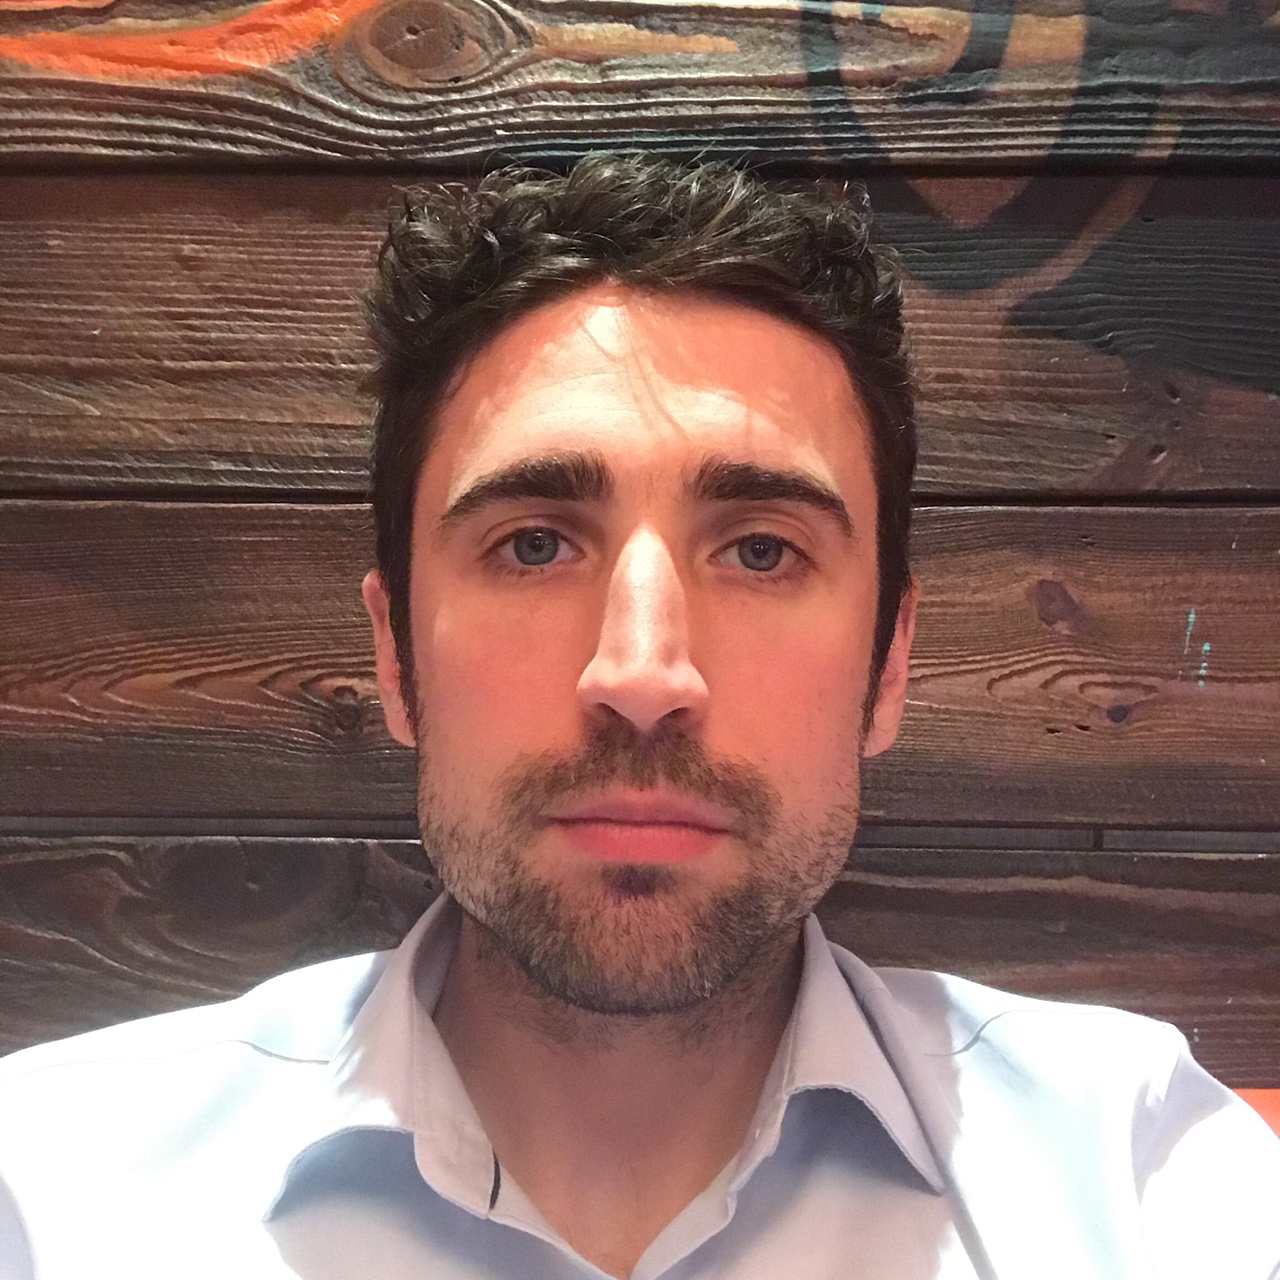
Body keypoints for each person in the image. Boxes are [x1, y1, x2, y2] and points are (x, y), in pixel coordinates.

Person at [0, 154, 1277, 1280]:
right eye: (534, 542)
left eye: (762, 550)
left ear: (888, 664)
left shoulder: (1139, 1178)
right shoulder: (49, 1196)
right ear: (394, 655)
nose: (643, 671)